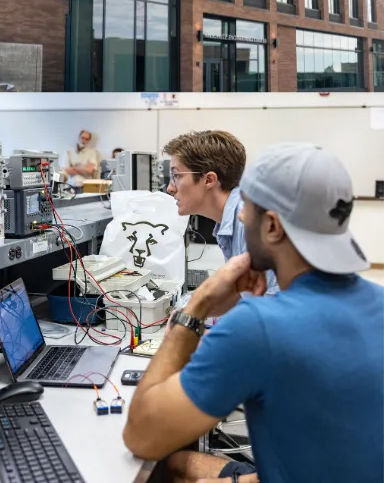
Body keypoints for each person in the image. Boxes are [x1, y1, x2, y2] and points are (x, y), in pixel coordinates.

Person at [122, 142, 383, 483]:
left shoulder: (259, 326)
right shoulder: (377, 300)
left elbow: (142, 435)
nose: (240, 216)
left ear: (272, 226)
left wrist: (197, 305)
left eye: (246, 207)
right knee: (180, 465)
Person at [163, 131, 278, 295]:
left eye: (176, 176)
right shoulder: (233, 218)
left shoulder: (249, 225)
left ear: (209, 180)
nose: (170, 188)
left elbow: (269, 310)